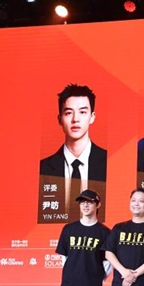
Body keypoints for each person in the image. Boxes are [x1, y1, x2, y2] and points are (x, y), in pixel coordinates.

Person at [39, 84, 107, 223]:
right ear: (59, 119)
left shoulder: (109, 162)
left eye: (82, 112)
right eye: (69, 113)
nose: (75, 119)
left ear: (92, 117)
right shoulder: (43, 168)